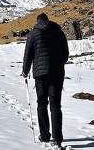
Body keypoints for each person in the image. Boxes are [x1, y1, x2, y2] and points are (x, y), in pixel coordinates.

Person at [22, 13, 69, 148]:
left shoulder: (33, 34)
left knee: (42, 103)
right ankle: (57, 138)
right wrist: (59, 64)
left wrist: (25, 71)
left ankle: (44, 135)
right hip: (57, 73)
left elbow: (28, 55)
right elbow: (65, 54)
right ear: (48, 21)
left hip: (40, 74)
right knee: (55, 105)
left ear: (38, 21)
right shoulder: (59, 32)